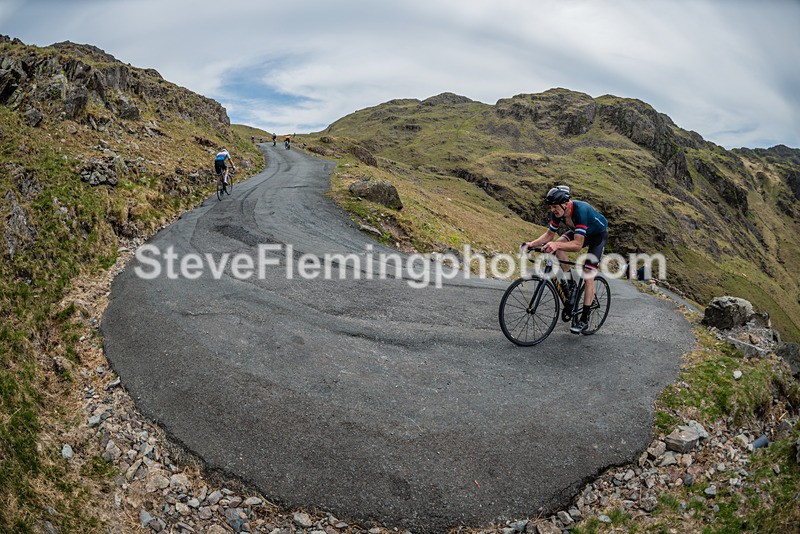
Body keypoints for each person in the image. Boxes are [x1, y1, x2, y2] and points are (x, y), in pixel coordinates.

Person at [524, 185, 609, 334]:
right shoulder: (558, 213)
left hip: (597, 236)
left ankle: (584, 319)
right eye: (551, 207)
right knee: (557, 247)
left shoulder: (580, 211)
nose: (553, 210)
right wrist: (531, 244)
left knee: (588, 274)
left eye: (555, 206)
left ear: (565, 204)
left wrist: (556, 244)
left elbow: (578, 245)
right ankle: (571, 284)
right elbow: (549, 235)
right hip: (579, 231)